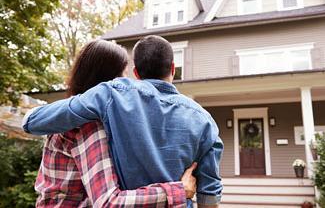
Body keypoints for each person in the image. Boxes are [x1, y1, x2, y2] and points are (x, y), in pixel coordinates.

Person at [23, 36, 223, 207]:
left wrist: (29, 118)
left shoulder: (111, 97)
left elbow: (34, 122)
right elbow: (210, 189)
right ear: (173, 68)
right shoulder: (204, 120)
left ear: (136, 73)